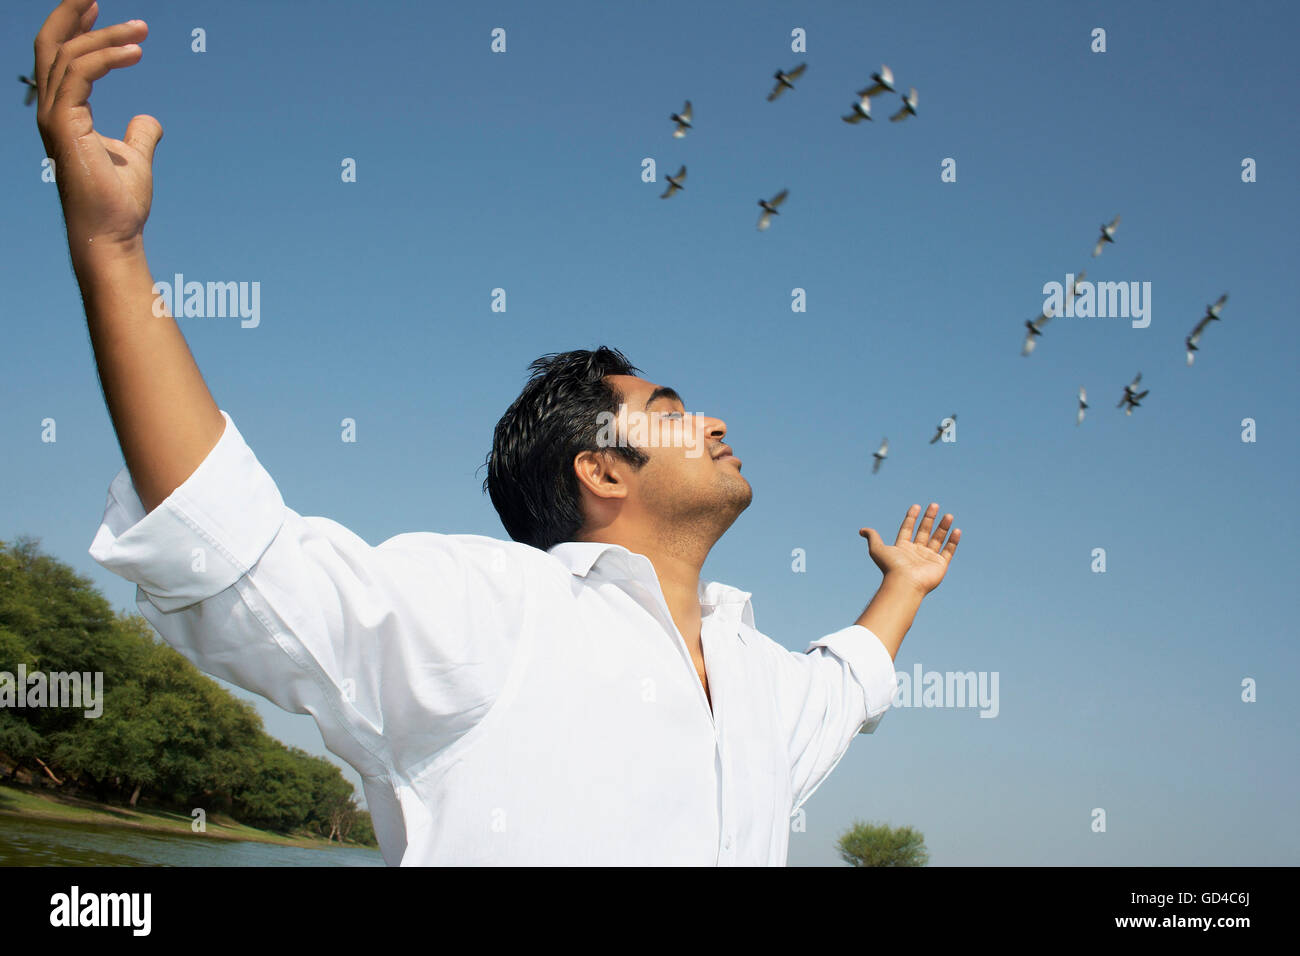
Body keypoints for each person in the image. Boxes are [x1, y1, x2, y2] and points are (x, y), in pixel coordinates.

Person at [33, 0, 961, 865]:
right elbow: (242, 557)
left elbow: (850, 682)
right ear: (602, 469)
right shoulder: (494, 612)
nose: (714, 421)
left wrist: (907, 586)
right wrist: (112, 253)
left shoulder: (760, 680)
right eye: (672, 413)